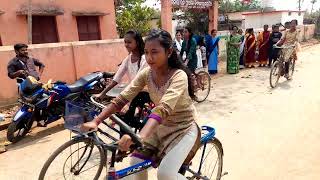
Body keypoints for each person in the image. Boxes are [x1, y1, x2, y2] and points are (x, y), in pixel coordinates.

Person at [81, 29, 200, 180]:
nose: (149, 58)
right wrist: (96, 121)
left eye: (155, 52)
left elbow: (163, 108)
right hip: (160, 127)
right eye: (147, 52)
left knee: (166, 174)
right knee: (135, 163)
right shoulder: (146, 74)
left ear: (169, 52)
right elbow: (122, 98)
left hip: (184, 127)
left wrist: (142, 135)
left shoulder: (179, 76)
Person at [95, 30, 149, 123]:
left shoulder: (144, 59)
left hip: (143, 94)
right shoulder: (128, 58)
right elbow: (116, 78)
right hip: (132, 92)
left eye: (129, 42)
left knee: (125, 118)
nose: (126, 45)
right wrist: (103, 93)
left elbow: (136, 82)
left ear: (137, 42)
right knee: (120, 118)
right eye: (125, 42)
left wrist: (126, 103)